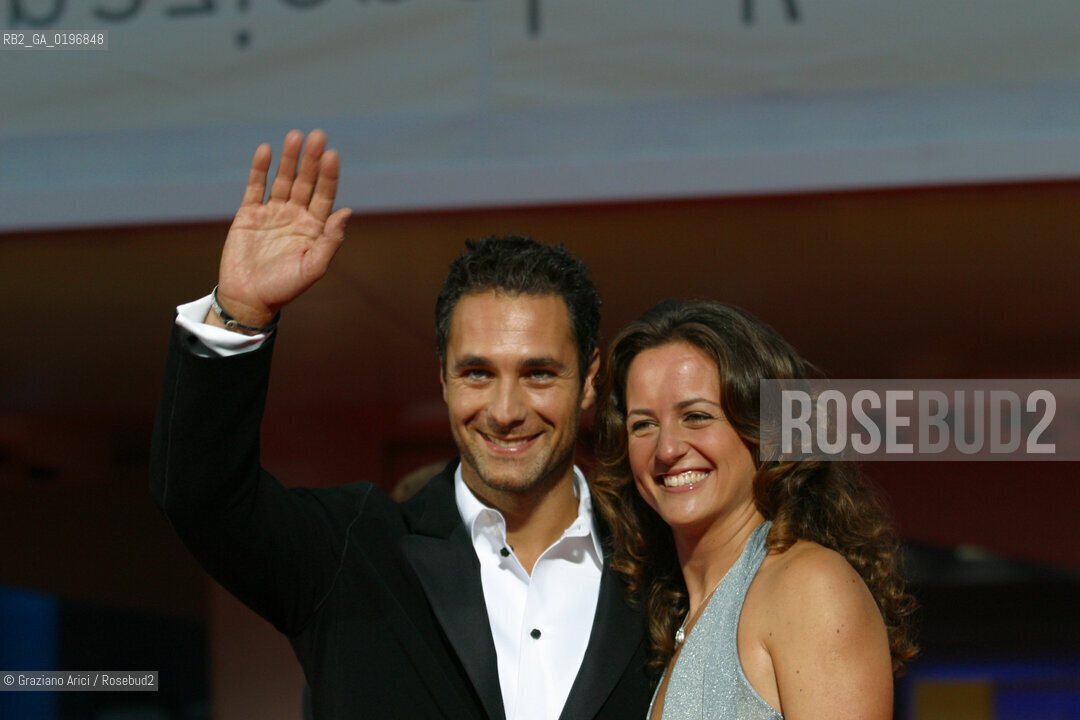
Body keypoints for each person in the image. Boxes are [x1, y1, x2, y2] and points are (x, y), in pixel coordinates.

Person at [150, 130, 651, 719]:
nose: (505, 410)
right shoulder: (353, 555)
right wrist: (239, 314)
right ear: (442, 377)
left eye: (538, 373)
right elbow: (200, 496)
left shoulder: (662, 564)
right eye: (477, 373)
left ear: (589, 380)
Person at [590, 299, 917, 719]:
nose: (667, 449)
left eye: (696, 416)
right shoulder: (676, 619)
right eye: (643, 424)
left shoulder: (807, 586)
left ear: (764, 429)